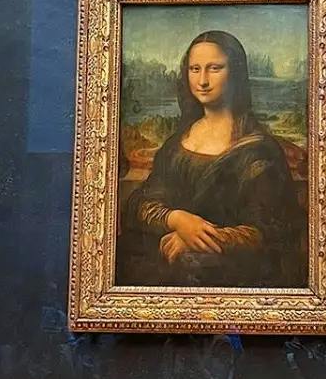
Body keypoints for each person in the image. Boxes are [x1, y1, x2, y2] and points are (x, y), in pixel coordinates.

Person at [117, 29, 304, 288]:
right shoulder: (177, 142)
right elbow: (141, 203)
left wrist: (197, 239)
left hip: (232, 278)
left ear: (235, 73)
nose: (202, 80)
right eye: (195, 69)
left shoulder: (260, 150)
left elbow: (272, 232)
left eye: (215, 68)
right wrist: (177, 219)